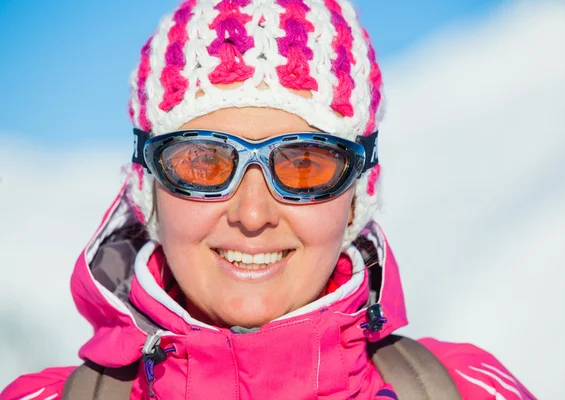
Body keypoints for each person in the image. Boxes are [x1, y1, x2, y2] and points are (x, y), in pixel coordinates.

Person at [1, 1, 536, 399]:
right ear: (151, 189)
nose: (252, 214)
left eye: (305, 164)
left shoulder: (469, 390)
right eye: (202, 163)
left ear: (357, 196)